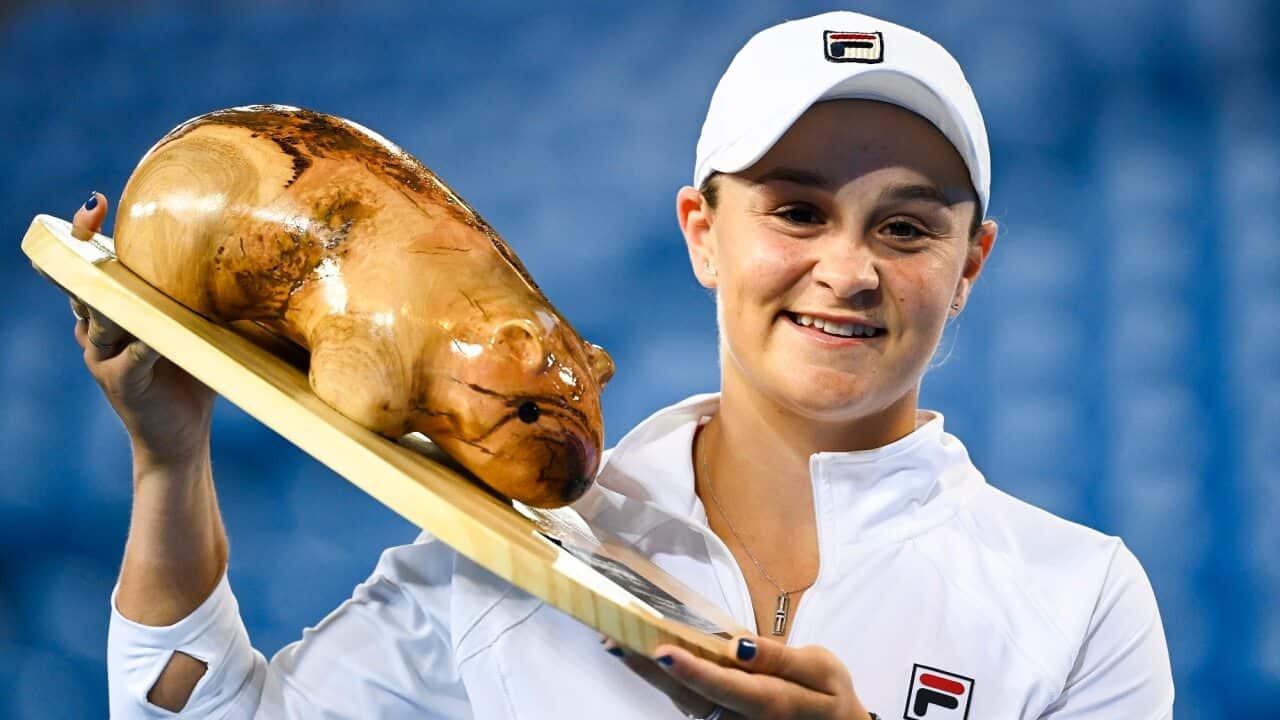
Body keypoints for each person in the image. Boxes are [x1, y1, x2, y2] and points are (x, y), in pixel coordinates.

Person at [66, 10, 1173, 719]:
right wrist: (170, 468)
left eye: (905, 227)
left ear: (970, 261)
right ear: (700, 230)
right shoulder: (517, 554)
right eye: (794, 210)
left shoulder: (1075, 602)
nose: (846, 270)